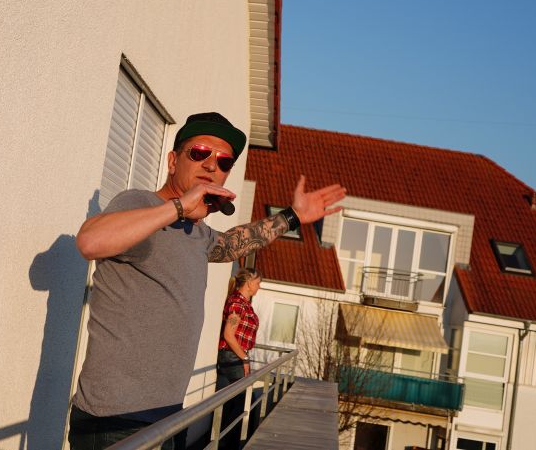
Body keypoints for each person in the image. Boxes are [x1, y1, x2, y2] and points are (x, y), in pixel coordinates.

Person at [69, 112, 345, 450]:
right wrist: (178, 207)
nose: (212, 164)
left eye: (224, 161)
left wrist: (293, 216)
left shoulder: (196, 232)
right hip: (116, 420)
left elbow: (231, 244)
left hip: (167, 417)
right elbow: (89, 242)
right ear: (173, 161)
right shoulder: (140, 203)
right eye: (199, 153)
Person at [215, 268, 262, 450]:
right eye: (258, 283)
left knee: (227, 405)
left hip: (232, 356)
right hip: (232, 357)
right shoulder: (237, 303)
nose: (259, 287)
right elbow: (229, 334)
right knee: (245, 404)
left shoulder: (243, 303)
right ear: (249, 283)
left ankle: (220, 444)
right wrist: (245, 358)